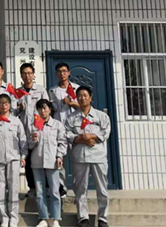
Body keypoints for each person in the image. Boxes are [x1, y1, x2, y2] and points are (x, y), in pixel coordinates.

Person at [64, 86, 111, 227]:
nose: (82, 98)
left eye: (85, 95)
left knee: (102, 188)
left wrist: (91, 136)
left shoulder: (101, 116)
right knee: (80, 188)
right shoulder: (71, 118)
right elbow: (66, 134)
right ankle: (83, 218)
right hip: (80, 157)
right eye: (79, 95)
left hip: (98, 156)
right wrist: (81, 139)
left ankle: (103, 218)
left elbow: (106, 132)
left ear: (91, 98)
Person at [0, 94, 27, 227]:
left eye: (6, 103)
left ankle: (14, 218)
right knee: (0, 188)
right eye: (1, 103)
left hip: (13, 157)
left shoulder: (16, 121)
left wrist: (23, 156)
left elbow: (23, 140)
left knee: (13, 187)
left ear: (10, 105)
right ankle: (4, 217)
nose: (3, 105)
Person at [28, 99, 67, 227]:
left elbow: (62, 142)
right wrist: (33, 140)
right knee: (40, 192)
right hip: (37, 161)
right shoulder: (34, 125)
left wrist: (59, 156)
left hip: (52, 162)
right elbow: (29, 145)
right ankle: (43, 218)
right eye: (40, 108)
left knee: (54, 191)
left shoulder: (57, 125)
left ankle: (56, 218)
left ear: (50, 109)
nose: (42, 111)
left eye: (45, 108)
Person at [16, 63, 48, 196]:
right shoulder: (18, 92)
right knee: (28, 161)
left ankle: (46, 188)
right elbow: (11, 112)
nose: (27, 76)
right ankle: (32, 188)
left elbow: (46, 109)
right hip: (24, 132)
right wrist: (18, 108)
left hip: (38, 130)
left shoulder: (40, 90)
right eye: (24, 73)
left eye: (29, 73)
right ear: (21, 75)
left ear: (33, 75)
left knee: (42, 158)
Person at [48, 62, 79, 198]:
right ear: (56, 74)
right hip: (59, 129)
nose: (62, 73)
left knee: (77, 159)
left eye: (64, 71)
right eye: (59, 71)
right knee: (59, 158)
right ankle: (62, 187)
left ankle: (78, 188)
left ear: (69, 73)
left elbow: (84, 106)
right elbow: (50, 110)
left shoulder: (76, 88)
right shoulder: (52, 91)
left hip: (74, 128)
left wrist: (71, 103)